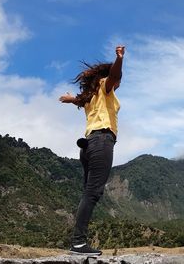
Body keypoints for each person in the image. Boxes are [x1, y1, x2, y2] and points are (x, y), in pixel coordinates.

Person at [59, 45, 125, 256]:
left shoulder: (90, 95)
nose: (118, 83)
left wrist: (70, 100)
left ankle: (78, 242)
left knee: (89, 193)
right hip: (101, 141)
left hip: (87, 145)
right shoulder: (106, 86)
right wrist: (119, 59)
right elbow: (115, 74)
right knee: (93, 193)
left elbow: (79, 100)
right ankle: (78, 243)